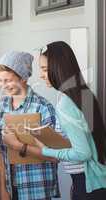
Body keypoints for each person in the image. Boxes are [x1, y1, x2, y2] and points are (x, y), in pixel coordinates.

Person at [35, 41, 106, 199]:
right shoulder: (83, 93)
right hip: (96, 180)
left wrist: (45, 150)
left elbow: (83, 153)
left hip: (87, 183)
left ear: (59, 69)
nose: (40, 74)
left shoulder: (66, 102)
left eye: (45, 69)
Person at [0, 51, 61, 200]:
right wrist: (2, 188)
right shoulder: (2, 105)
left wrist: (18, 145)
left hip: (37, 187)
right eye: (0, 80)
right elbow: (1, 150)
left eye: (8, 80)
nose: (3, 86)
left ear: (23, 78)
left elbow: (55, 157)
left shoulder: (42, 107)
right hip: (11, 187)